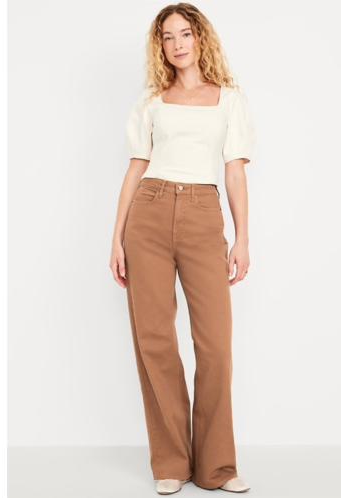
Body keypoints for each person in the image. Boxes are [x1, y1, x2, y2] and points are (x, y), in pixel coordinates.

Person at [109, 2, 255, 495]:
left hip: (202, 212)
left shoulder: (229, 100)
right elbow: (136, 165)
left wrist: (242, 237)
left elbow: (234, 172)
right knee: (154, 340)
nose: (177, 44)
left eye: (185, 33)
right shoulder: (152, 100)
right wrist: (116, 238)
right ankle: (171, 462)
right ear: (161, 46)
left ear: (200, 38)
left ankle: (217, 467)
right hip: (148, 212)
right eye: (168, 37)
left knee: (214, 344)